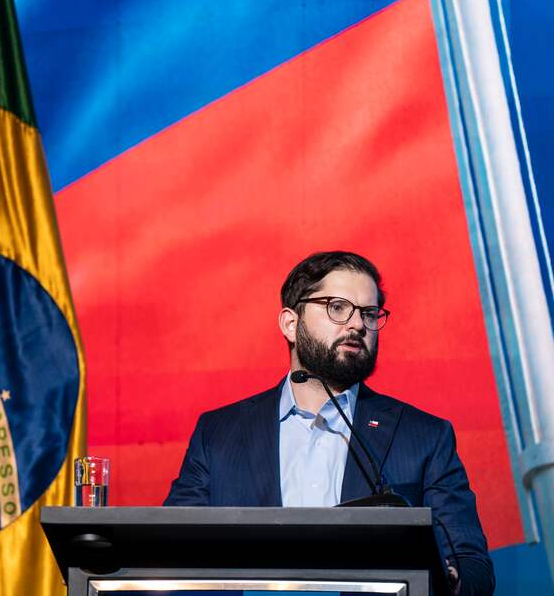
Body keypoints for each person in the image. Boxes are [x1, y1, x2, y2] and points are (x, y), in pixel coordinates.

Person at [164, 251, 494, 596]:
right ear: (291, 324)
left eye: (369, 313)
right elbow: (167, 557)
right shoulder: (218, 434)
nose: (356, 325)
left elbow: (473, 570)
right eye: (337, 307)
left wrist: (444, 577)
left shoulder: (425, 437)